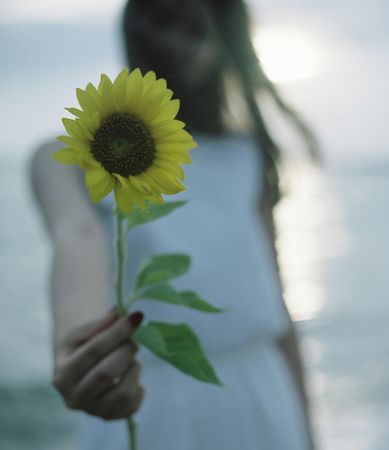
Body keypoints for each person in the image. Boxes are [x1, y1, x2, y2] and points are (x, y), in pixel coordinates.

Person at [30, 0, 320, 448]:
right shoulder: (66, 155)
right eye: (155, 18)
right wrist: (81, 346)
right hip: (143, 398)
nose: (169, 40)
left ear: (224, 39)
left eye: (191, 26)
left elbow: (279, 312)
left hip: (260, 394)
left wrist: (309, 432)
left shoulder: (245, 156)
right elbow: (77, 235)